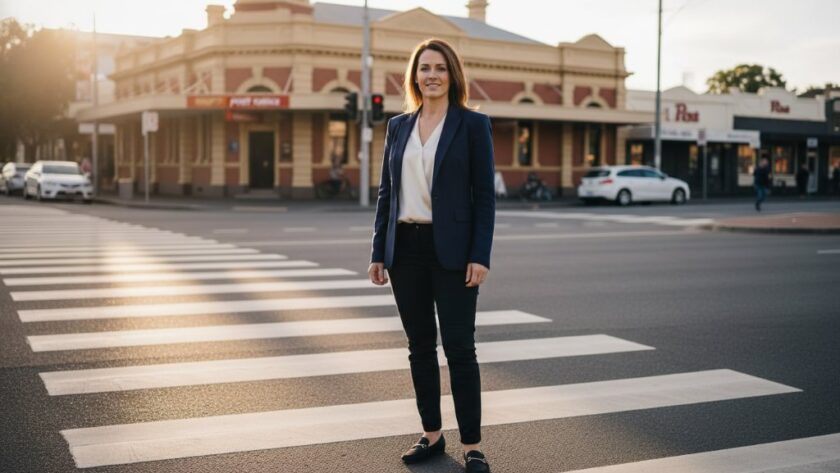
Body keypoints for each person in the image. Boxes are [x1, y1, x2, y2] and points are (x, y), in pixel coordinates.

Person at [368, 38, 495, 473]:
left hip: (455, 252)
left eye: (440, 67)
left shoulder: (472, 125)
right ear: (414, 75)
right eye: (424, 68)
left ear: (452, 74)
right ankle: (432, 435)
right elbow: (388, 191)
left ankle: (473, 445)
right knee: (419, 346)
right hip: (405, 250)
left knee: (460, 349)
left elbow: (484, 198)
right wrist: (378, 250)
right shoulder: (398, 125)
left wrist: (480, 254)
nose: (432, 75)